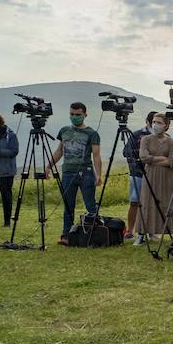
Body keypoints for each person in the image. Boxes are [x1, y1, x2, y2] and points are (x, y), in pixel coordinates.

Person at [49, 102, 102, 246]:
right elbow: (60, 151)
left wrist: (99, 175)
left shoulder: (92, 133)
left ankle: (97, 232)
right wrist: (48, 166)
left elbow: (96, 155)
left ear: (85, 114)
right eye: (72, 114)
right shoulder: (64, 131)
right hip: (67, 172)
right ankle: (66, 235)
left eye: (78, 115)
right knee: (68, 205)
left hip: (86, 172)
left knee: (90, 204)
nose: (74, 117)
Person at [136, 113, 173, 240]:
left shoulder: (171, 142)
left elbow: (171, 161)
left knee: (168, 202)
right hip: (150, 175)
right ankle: (142, 234)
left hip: (167, 177)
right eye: (154, 122)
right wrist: (162, 158)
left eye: (159, 122)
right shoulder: (146, 139)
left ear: (166, 125)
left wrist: (153, 159)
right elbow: (144, 157)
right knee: (147, 201)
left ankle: (170, 231)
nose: (155, 125)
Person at [121, 112, 154, 239]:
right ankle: (130, 230)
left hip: (154, 174)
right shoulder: (136, 134)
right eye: (153, 122)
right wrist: (139, 157)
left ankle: (150, 231)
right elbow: (126, 152)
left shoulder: (163, 136)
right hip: (137, 173)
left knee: (151, 202)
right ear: (147, 121)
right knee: (135, 201)